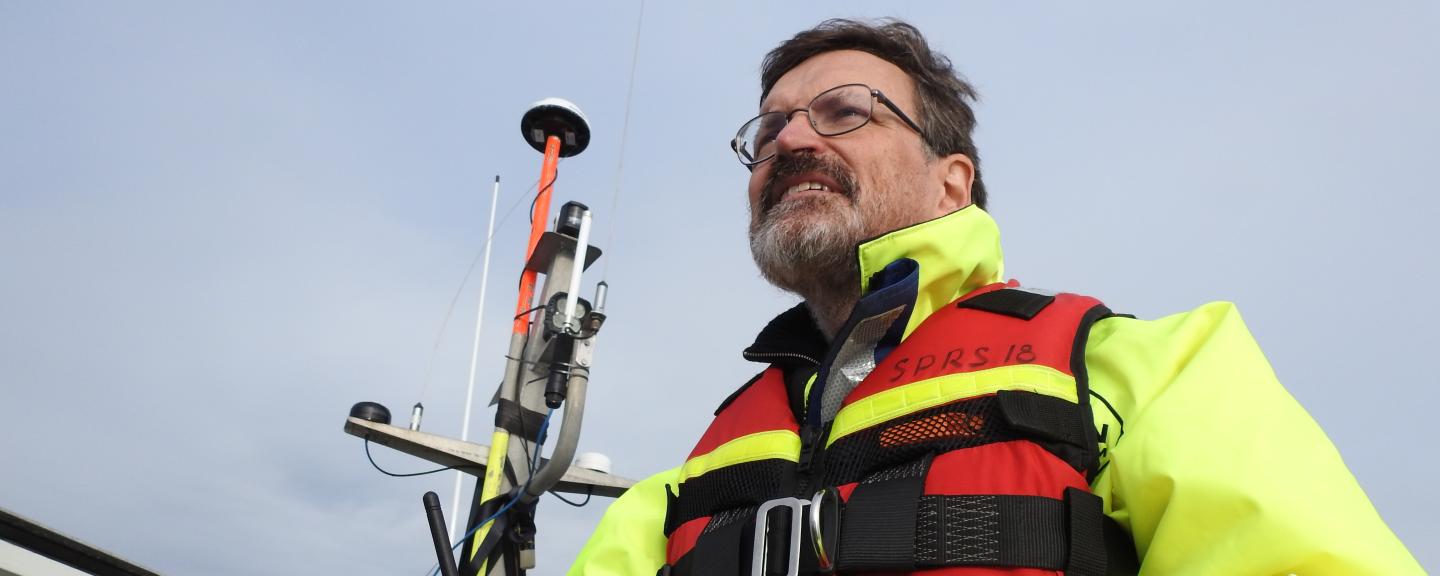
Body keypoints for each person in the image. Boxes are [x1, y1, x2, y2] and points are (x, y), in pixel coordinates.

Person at [570, 18, 1421, 575]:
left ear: (952, 184)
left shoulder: (1136, 369)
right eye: (768, 129)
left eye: (843, 113)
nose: (789, 138)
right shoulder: (683, 481)